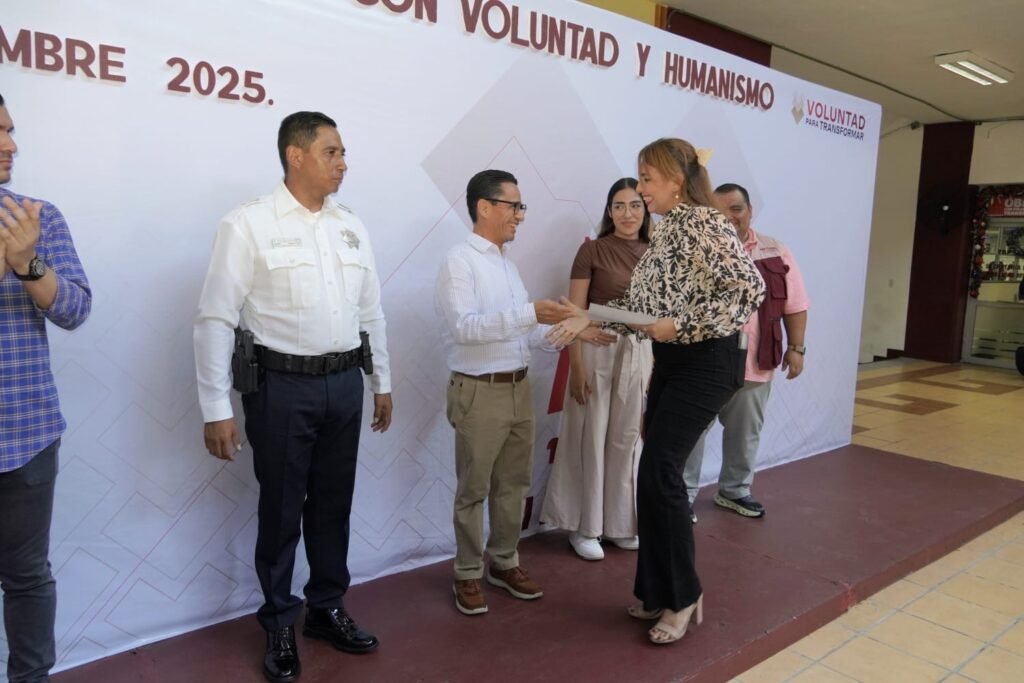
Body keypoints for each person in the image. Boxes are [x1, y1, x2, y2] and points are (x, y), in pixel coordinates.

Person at [194, 111, 392, 682]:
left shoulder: (350, 225)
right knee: (281, 508)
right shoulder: (248, 223)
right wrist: (216, 408)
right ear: (295, 155)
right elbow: (214, 318)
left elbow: (371, 312)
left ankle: (326, 607)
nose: (343, 163)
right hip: (281, 387)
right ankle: (280, 619)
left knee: (333, 504)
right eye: (332, 152)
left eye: (343, 152)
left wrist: (381, 381)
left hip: (344, 384)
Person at [608, 139, 764, 645]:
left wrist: (681, 325)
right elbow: (645, 309)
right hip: (674, 362)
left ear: (677, 181)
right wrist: (589, 319)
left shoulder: (702, 221)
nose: (640, 190)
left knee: (661, 472)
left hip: (707, 362)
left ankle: (683, 595)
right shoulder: (666, 230)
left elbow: (749, 289)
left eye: (647, 179)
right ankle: (657, 591)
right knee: (653, 476)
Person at [435, 169, 587, 616]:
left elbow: (524, 335)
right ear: (484, 207)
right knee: (474, 488)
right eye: (514, 206)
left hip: (519, 386)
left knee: (514, 485)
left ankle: (503, 562)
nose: (520, 215)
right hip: (479, 391)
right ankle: (467, 571)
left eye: (522, 207)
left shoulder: (507, 265)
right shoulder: (459, 262)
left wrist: (565, 332)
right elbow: (465, 329)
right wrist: (529, 313)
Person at [0, 92, 92, 683]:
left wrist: (29, 264)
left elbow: (76, 309)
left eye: (10, 130)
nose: (11, 144)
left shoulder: (37, 216)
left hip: (26, 433)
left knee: (28, 578)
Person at [540, 178, 653, 561]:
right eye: (619, 205)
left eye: (635, 205)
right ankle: (584, 527)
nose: (627, 213)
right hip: (595, 349)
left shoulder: (658, 253)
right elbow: (574, 313)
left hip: (639, 351)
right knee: (589, 436)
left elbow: (657, 316)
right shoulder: (591, 251)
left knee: (626, 440)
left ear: (645, 210)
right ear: (609, 211)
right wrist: (576, 367)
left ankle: (620, 525)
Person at [684, 183, 809, 522]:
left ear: (750, 210)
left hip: (756, 360)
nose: (729, 217)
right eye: (720, 211)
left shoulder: (774, 251)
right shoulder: (697, 248)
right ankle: (682, 495)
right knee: (692, 430)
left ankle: (734, 490)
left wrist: (796, 348)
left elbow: (795, 304)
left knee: (745, 431)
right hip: (705, 362)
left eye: (736, 209)